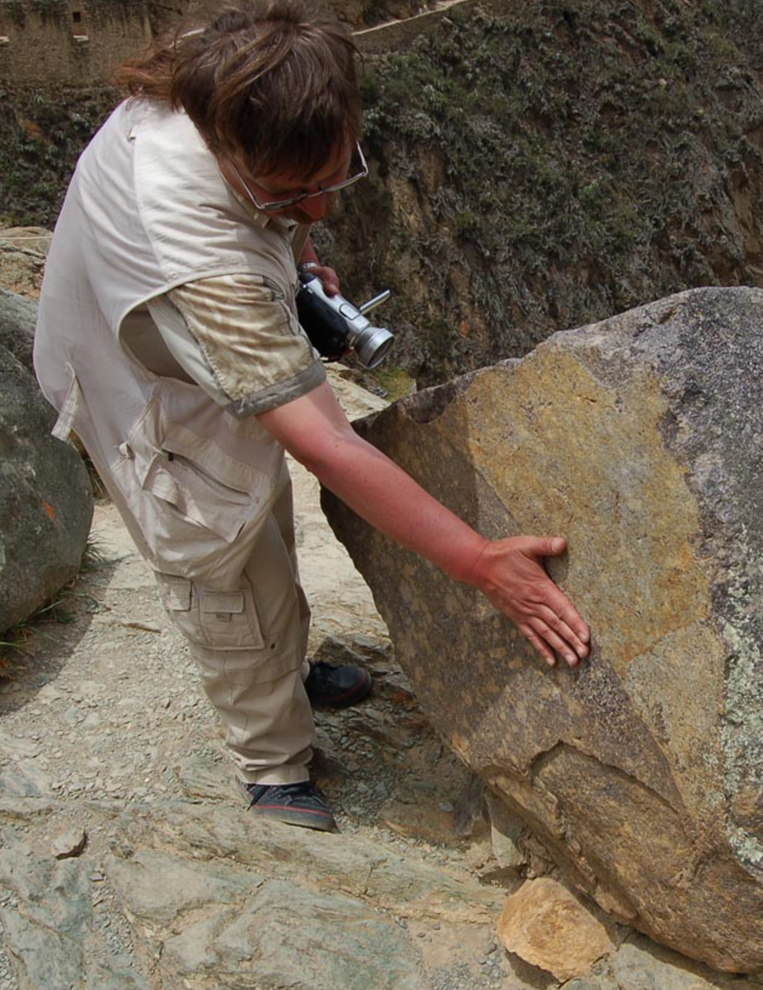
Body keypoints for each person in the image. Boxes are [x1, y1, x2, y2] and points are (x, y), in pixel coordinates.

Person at [33, 0, 589, 832]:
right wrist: (480, 562)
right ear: (232, 148)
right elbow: (326, 443)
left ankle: (286, 672)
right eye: (296, 193)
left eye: (335, 176)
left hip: (198, 365)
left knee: (267, 527)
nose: (323, 208)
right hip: (146, 398)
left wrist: (292, 249)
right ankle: (272, 766)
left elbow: (265, 214)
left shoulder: (230, 68)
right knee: (222, 568)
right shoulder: (201, 262)